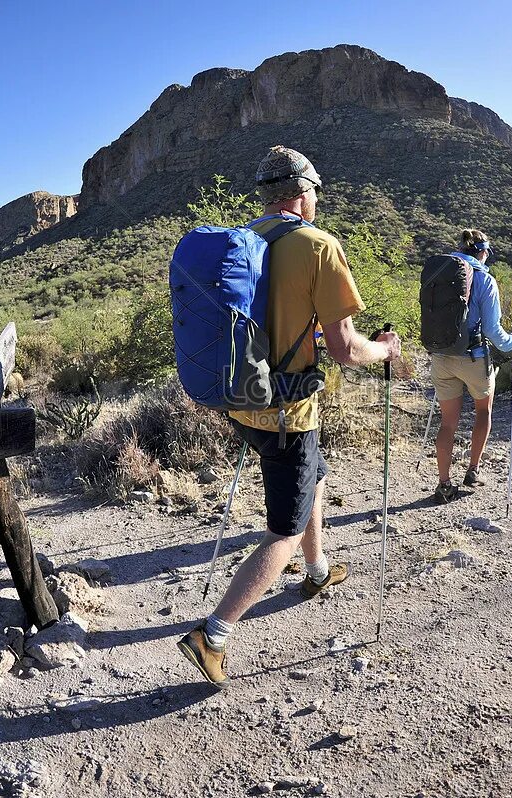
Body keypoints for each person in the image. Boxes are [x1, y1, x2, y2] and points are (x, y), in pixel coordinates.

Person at [177, 146, 401, 684]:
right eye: (316, 192)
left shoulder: (246, 242)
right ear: (303, 192)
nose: (317, 201)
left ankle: (318, 569)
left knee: (314, 476)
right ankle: (214, 633)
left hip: (241, 403)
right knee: (284, 525)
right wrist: (386, 350)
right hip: (287, 413)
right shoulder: (318, 247)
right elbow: (347, 350)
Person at [429, 229, 512, 503]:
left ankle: (444, 484)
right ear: (483, 251)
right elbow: (494, 331)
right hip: (473, 357)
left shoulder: (438, 272)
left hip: (441, 356)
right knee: (483, 410)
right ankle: (472, 470)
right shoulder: (485, 280)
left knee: (447, 423)